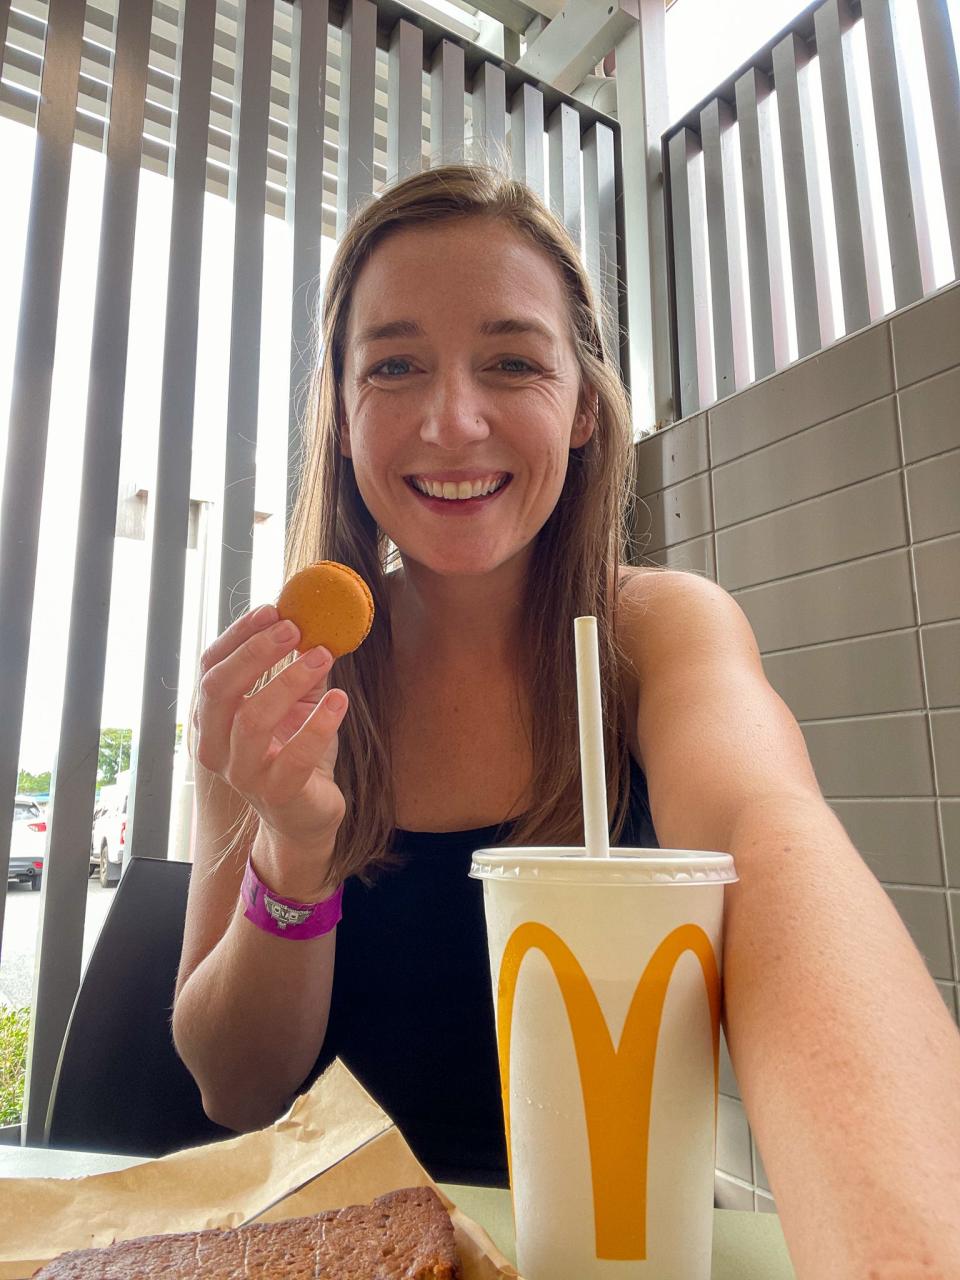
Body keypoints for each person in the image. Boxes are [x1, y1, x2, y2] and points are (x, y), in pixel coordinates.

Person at [173, 164, 960, 1274]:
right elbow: (233, 1082)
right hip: (333, 1244)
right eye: (394, 364)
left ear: (583, 406)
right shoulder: (283, 684)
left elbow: (769, 839)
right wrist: (295, 854)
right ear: (343, 416)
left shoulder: (660, 633)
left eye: (512, 361)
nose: (453, 419)